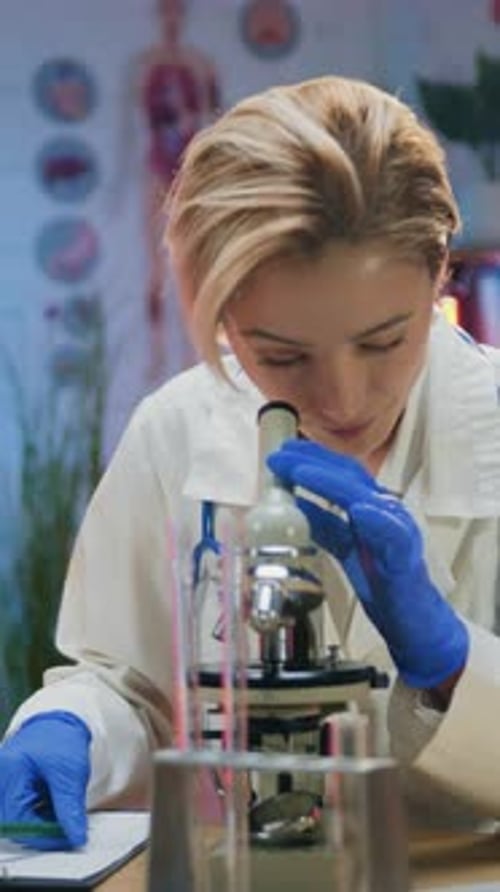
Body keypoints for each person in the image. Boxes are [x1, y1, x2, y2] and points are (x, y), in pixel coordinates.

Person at [2, 74, 500, 850]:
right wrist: (71, 727)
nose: (342, 398)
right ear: (223, 313)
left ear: (440, 268)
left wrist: (450, 663)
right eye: (281, 353)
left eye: (382, 341)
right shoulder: (178, 431)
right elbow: (124, 684)